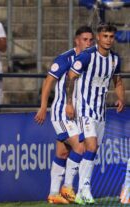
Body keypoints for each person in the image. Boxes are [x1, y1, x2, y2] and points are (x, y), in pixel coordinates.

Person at [65, 22, 125, 205]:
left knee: (93, 149)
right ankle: (84, 189)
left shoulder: (115, 59)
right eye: (105, 36)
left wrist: (121, 98)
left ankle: (75, 187)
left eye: (111, 37)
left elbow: (118, 81)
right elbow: (71, 78)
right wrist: (69, 103)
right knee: (90, 147)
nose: (108, 40)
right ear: (98, 37)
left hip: (101, 111)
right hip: (84, 109)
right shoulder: (86, 57)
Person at [35, 26, 94, 204]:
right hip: (62, 113)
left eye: (91, 40)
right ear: (77, 40)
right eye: (85, 39)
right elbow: (48, 81)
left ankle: (53, 193)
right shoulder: (65, 59)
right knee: (80, 147)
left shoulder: (91, 59)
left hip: (78, 114)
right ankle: (68, 187)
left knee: (61, 153)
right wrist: (43, 106)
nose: (88, 43)